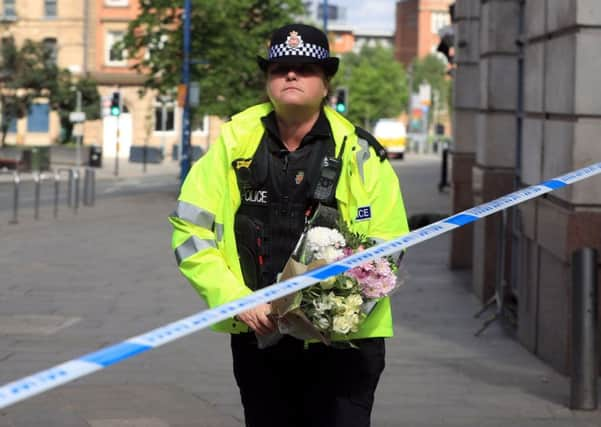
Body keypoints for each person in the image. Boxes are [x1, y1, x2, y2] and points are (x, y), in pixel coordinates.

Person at [170, 23, 409, 427]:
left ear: (326, 82)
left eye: (305, 68)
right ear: (268, 80)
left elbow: (389, 243)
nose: (292, 74)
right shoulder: (233, 143)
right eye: (280, 68)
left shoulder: (362, 152)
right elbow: (190, 232)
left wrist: (333, 312)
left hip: (343, 342)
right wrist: (237, 300)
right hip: (260, 333)